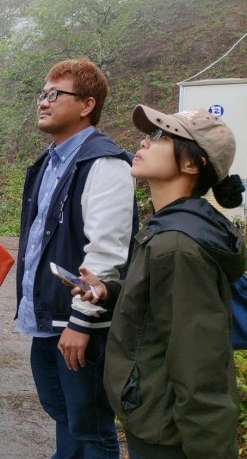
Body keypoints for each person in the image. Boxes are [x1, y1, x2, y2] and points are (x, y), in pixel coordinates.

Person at [70, 105, 246, 459]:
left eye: (162, 137)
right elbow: (160, 305)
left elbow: (200, 365)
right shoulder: (166, 229)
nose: (144, 142)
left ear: (192, 164)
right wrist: (109, 291)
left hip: (169, 433)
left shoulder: (177, 244)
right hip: (155, 415)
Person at [15, 58, 137, 459]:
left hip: (79, 325)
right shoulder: (48, 163)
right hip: (49, 318)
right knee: (62, 412)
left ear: (86, 105)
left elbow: (106, 254)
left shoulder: (103, 164)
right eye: (42, 94)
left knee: (91, 427)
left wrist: (81, 323)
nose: (43, 102)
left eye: (55, 94)